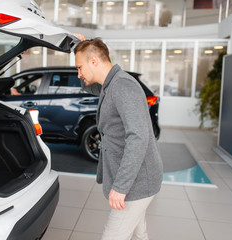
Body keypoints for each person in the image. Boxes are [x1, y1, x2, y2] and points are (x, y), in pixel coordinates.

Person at [74, 37, 163, 240]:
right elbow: (87, 86)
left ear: (94, 61)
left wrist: (121, 187)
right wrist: (78, 47)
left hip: (137, 182)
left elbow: (138, 137)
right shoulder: (110, 84)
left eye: (80, 67)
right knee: (139, 235)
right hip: (137, 179)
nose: (78, 73)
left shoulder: (122, 86)